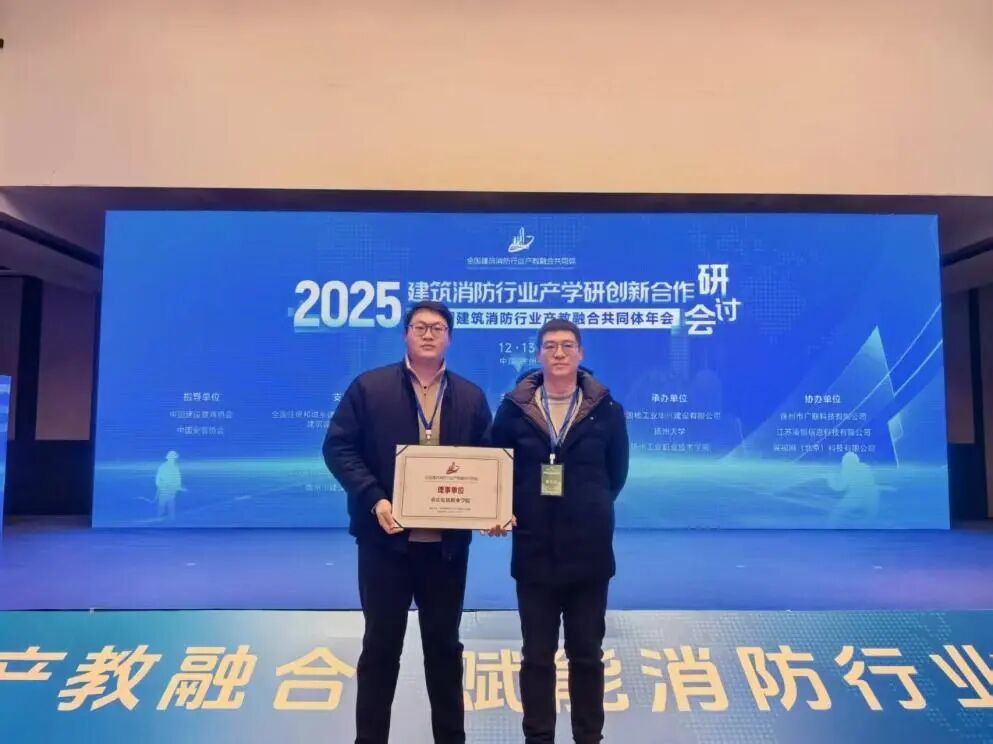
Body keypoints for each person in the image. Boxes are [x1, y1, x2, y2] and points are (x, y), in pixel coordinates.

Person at [323, 300, 491, 744]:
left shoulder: (471, 397)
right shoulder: (370, 387)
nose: (429, 334)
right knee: (380, 650)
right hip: (384, 545)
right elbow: (338, 448)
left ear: (449, 337)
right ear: (405, 335)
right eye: (420, 327)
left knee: (445, 651)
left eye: (438, 328)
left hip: (446, 550)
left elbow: (489, 463)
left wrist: (492, 509)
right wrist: (374, 498)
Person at [490, 318, 629, 744]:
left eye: (568, 345)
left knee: (586, 655)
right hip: (534, 554)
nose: (559, 353)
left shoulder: (607, 410)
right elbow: (496, 468)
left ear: (581, 354)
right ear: (538, 355)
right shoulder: (513, 410)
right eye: (550, 346)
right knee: (536, 657)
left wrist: (586, 509)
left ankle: (589, 737)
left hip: (589, 557)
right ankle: (538, 738)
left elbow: (616, 475)